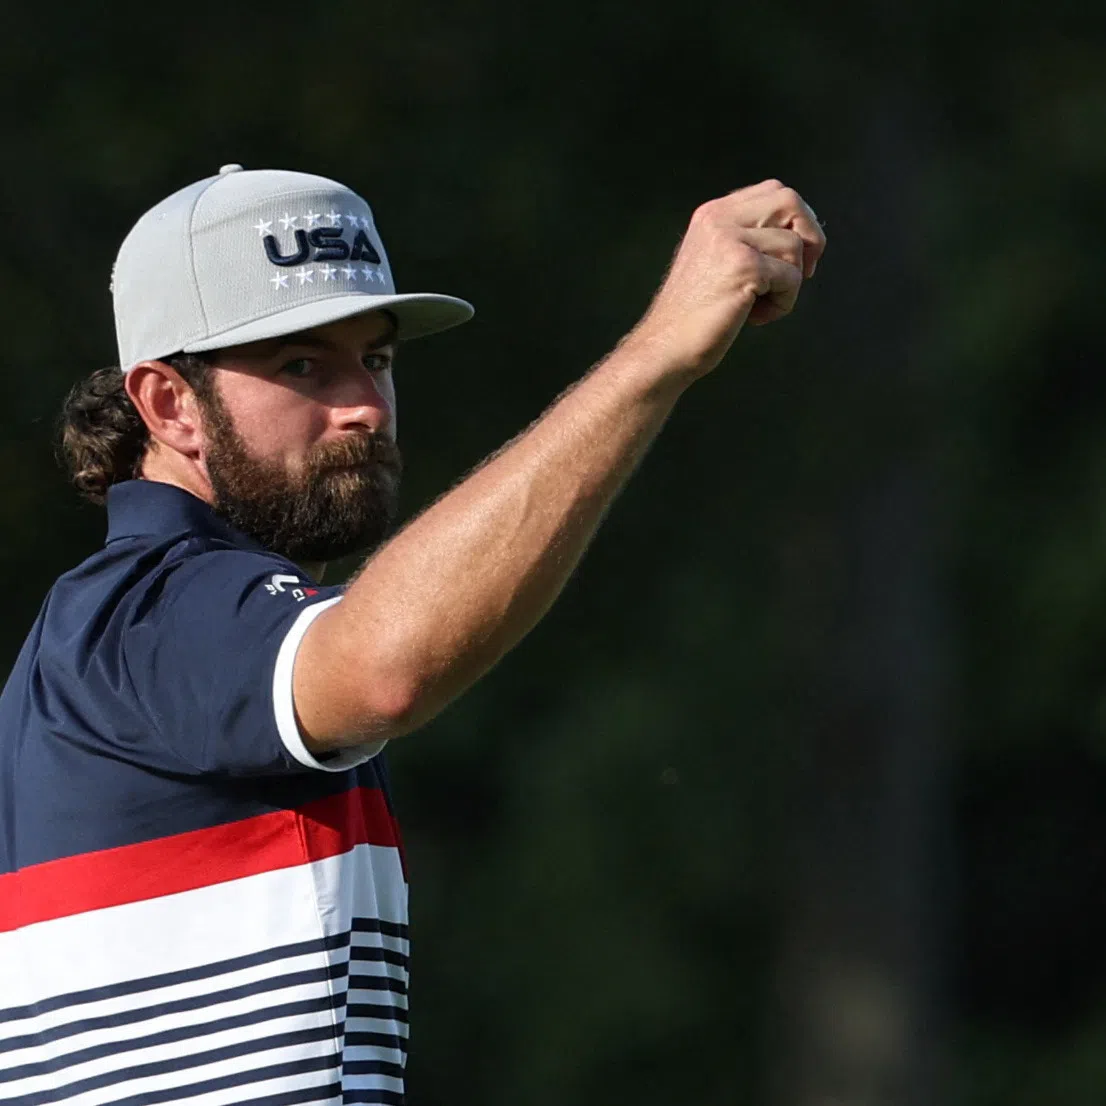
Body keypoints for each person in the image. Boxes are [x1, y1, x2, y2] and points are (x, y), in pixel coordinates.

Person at [0, 164, 825, 1105]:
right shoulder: (155, 607)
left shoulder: (147, 621)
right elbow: (384, 668)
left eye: (378, 358)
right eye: (302, 364)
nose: (365, 403)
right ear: (168, 405)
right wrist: (660, 350)